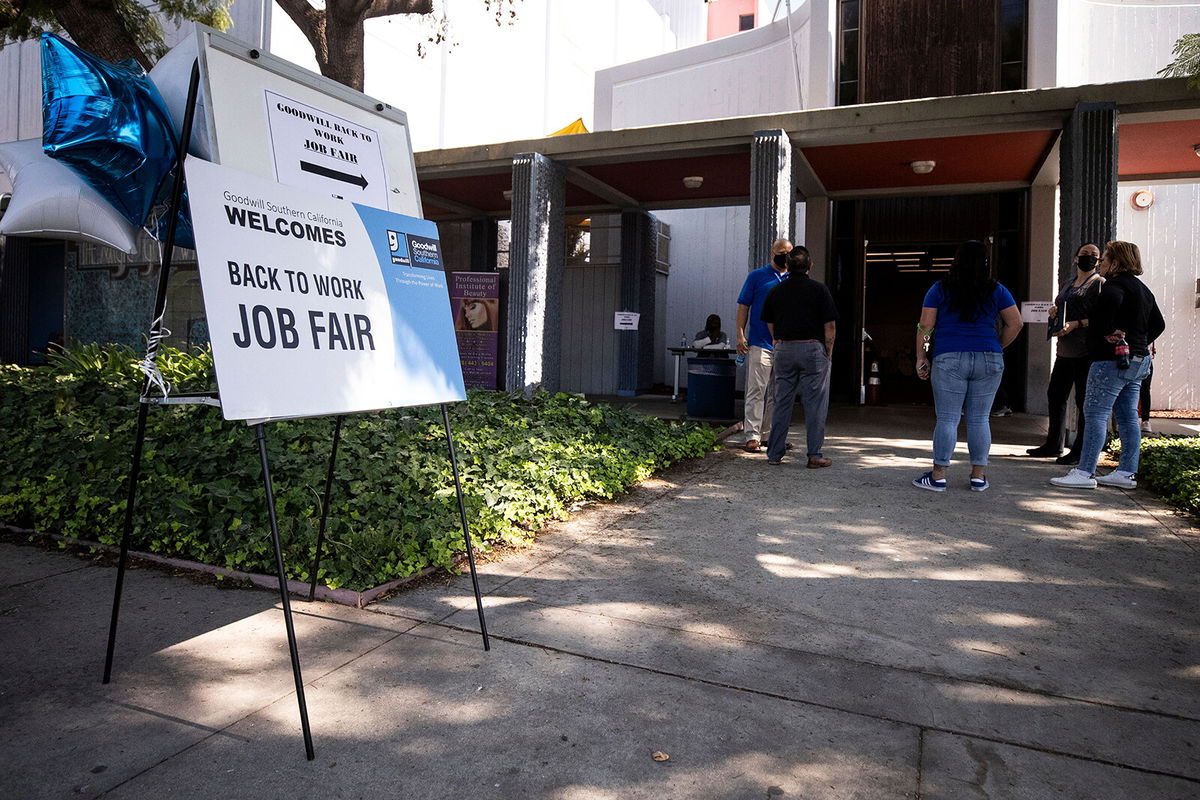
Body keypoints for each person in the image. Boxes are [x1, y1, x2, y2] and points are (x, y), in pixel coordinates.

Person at [1051, 241, 1165, 490]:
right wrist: (1137, 341)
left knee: (1095, 414)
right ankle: (1125, 473)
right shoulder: (1143, 289)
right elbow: (1159, 324)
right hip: (1137, 360)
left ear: (1115, 262)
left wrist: (1107, 335)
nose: (1099, 263)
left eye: (1104, 260)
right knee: (1127, 418)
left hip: (1109, 361)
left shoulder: (1113, 288)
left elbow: (1102, 317)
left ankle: (1084, 472)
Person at [912, 240, 1023, 493]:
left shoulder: (939, 288)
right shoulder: (997, 289)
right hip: (989, 357)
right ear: (986, 262)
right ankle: (978, 476)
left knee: (948, 418)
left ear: (956, 260)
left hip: (949, 357)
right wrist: (996, 347)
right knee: (980, 419)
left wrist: (922, 355)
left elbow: (925, 326)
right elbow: (1015, 323)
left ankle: (938, 476)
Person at [759, 246, 838, 467]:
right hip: (813, 350)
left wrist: (778, 343)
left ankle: (774, 454)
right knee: (815, 405)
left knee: (782, 402)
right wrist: (828, 353)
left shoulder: (775, 291)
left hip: (784, 349)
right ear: (810, 266)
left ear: (787, 266)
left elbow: (770, 322)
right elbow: (830, 326)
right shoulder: (820, 290)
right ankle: (814, 455)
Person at [1026, 243, 1104, 464]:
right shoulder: (1068, 283)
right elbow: (1063, 306)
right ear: (1075, 258)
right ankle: (1053, 444)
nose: (1088, 258)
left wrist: (1077, 324)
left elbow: (1101, 318)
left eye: (1094, 255)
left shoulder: (1099, 284)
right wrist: (1054, 311)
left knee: (1082, 401)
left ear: (1098, 261)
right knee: (1056, 395)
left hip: (1085, 350)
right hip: (1065, 349)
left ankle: (1080, 450)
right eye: (1085, 254)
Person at [736, 237, 792, 453]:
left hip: (786, 345)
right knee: (756, 390)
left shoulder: (793, 279)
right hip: (760, 342)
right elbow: (743, 306)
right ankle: (752, 436)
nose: (784, 255)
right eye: (781, 251)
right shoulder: (757, 277)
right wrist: (740, 335)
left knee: (779, 394)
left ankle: (770, 436)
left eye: (788, 252)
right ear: (772, 253)